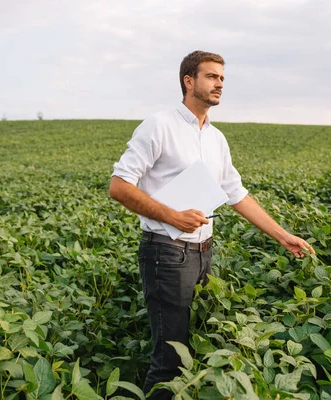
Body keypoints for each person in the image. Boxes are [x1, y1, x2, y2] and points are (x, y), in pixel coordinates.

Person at [109, 50, 315, 399]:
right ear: (189, 81)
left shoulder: (216, 139)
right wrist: (171, 215)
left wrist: (283, 236)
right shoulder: (161, 125)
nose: (219, 83)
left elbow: (237, 194)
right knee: (171, 361)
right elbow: (119, 185)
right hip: (166, 252)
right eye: (211, 76)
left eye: (222, 77)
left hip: (203, 252)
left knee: (195, 350)